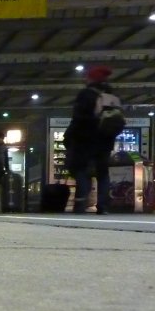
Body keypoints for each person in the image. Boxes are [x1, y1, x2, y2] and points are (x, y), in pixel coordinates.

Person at [65, 65, 116, 214]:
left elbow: (77, 118)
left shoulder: (85, 94)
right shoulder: (110, 95)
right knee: (103, 174)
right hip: (105, 142)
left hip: (85, 141)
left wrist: (68, 137)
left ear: (91, 79)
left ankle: (80, 205)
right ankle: (103, 206)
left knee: (81, 171)